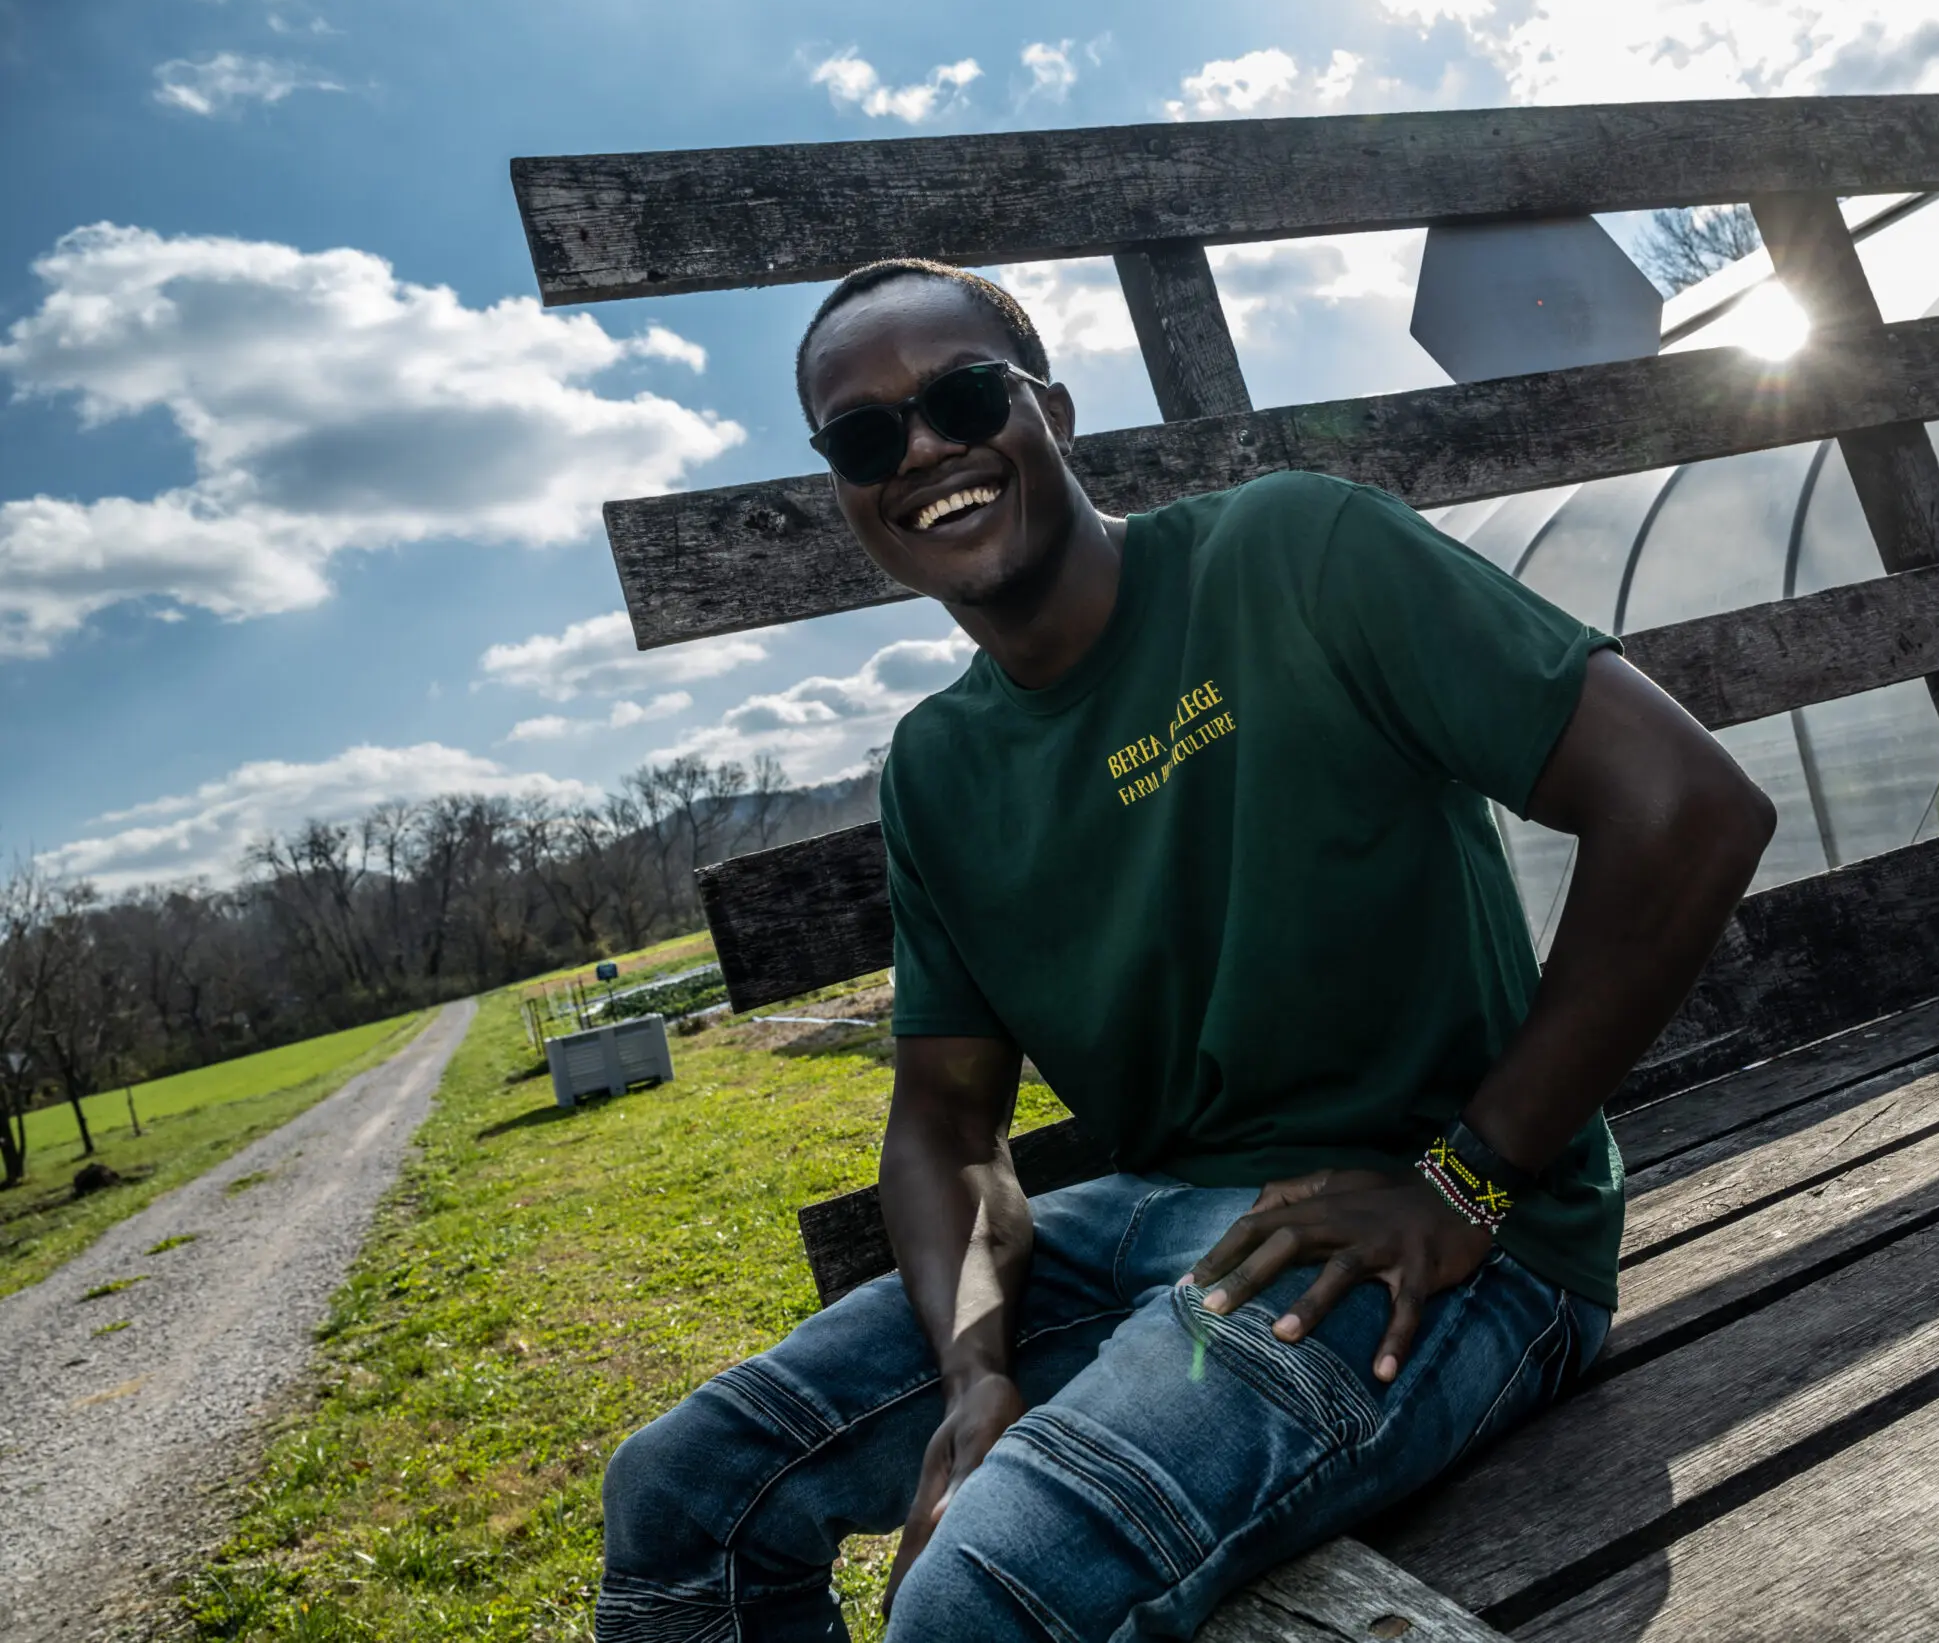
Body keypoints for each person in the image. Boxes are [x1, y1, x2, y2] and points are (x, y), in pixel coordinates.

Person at [598, 258, 1775, 1642]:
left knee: (983, 1597)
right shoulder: (938, 768)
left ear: (1052, 407)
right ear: (850, 494)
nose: (921, 448)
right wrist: (975, 1369)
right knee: (680, 1493)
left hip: (1472, 1242)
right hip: (1152, 1221)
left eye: (962, 396)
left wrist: (1469, 1176)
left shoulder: (1293, 553)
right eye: (866, 436)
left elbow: (1688, 806)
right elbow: (947, 1125)